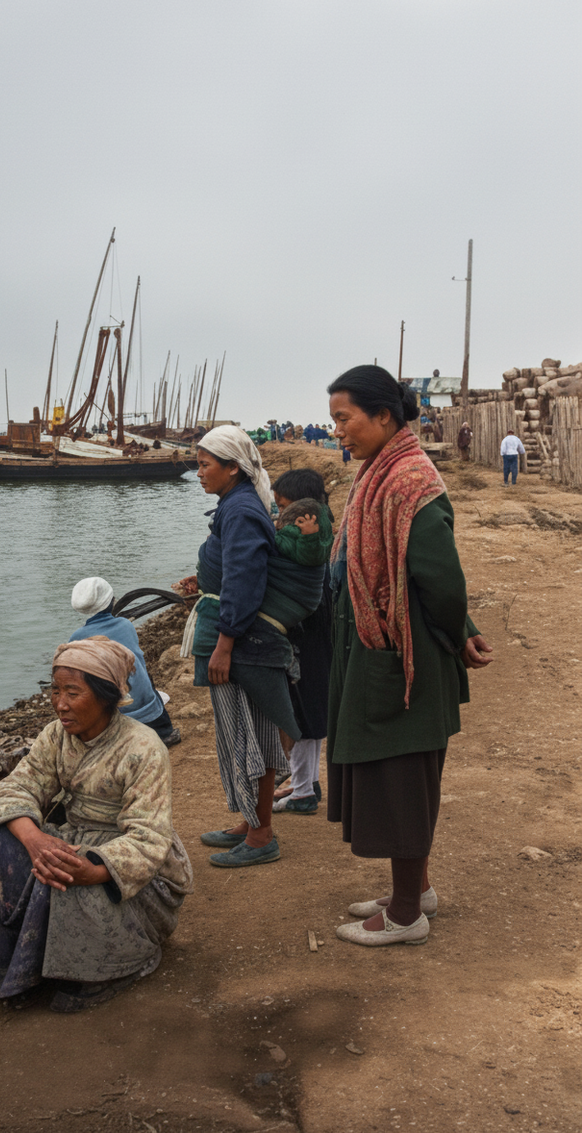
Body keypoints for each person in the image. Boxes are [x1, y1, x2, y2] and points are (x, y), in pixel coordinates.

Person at [327, 366, 492, 947]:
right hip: (391, 648)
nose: (337, 431)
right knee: (402, 777)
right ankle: (415, 891)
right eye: (333, 421)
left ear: (383, 416)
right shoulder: (379, 473)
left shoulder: (408, 483)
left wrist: (456, 630)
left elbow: (441, 581)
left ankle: (404, 916)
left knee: (402, 780)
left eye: (343, 419)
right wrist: (460, 628)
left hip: (405, 658)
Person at [0, 637, 193, 1013]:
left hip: (139, 872)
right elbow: (16, 788)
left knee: (73, 867)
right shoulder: (55, 737)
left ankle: (113, 967)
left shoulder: (143, 748)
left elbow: (148, 838)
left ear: (106, 696)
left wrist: (94, 871)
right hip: (72, 838)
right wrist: (35, 841)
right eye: (55, 690)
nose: (60, 704)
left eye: (72, 693)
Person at [179, 427, 325, 867]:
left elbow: (245, 578)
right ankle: (250, 819)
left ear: (233, 468)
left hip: (245, 645)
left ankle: (262, 837)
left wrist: (224, 643)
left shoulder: (241, 510)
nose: (198, 472)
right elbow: (232, 567)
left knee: (253, 737)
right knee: (243, 734)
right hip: (244, 640)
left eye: (205, 465)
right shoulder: (236, 504)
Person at [270, 470, 334, 815]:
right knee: (310, 710)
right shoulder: (322, 530)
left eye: (282, 507)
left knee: (301, 714)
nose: (278, 514)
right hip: (320, 633)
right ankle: (305, 781)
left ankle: (303, 792)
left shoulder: (308, 537)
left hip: (305, 635)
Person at [68, 576, 181, 747]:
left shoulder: (77, 638)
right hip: (145, 703)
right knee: (146, 681)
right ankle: (165, 733)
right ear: (111, 601)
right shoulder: (125, 625)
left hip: (112, 709)